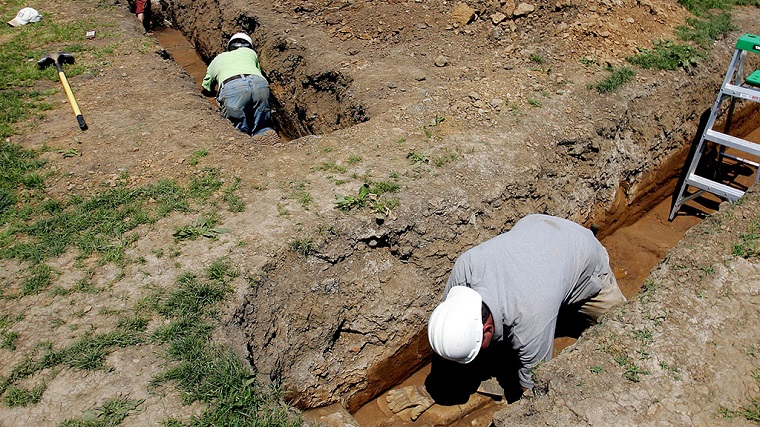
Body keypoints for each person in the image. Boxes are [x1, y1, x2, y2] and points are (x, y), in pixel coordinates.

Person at [387, 213, 626, 421]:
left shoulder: (531, 316)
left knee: (621, 329)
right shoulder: (465, 268)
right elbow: (451, 331)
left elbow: (533, 384)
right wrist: (438, 387)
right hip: (535, 228)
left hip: (582, 255)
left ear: (488, 330)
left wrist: (520, 412)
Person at [201, 33, 281, 145]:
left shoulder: (218, 59)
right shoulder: (251, 53)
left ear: (230, 46)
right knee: (261, 121)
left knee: (238, 129)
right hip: (259, 83)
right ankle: (265, 132)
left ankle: (246, 143)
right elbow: (256, 72)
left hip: (232, 86)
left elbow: (206, 87)